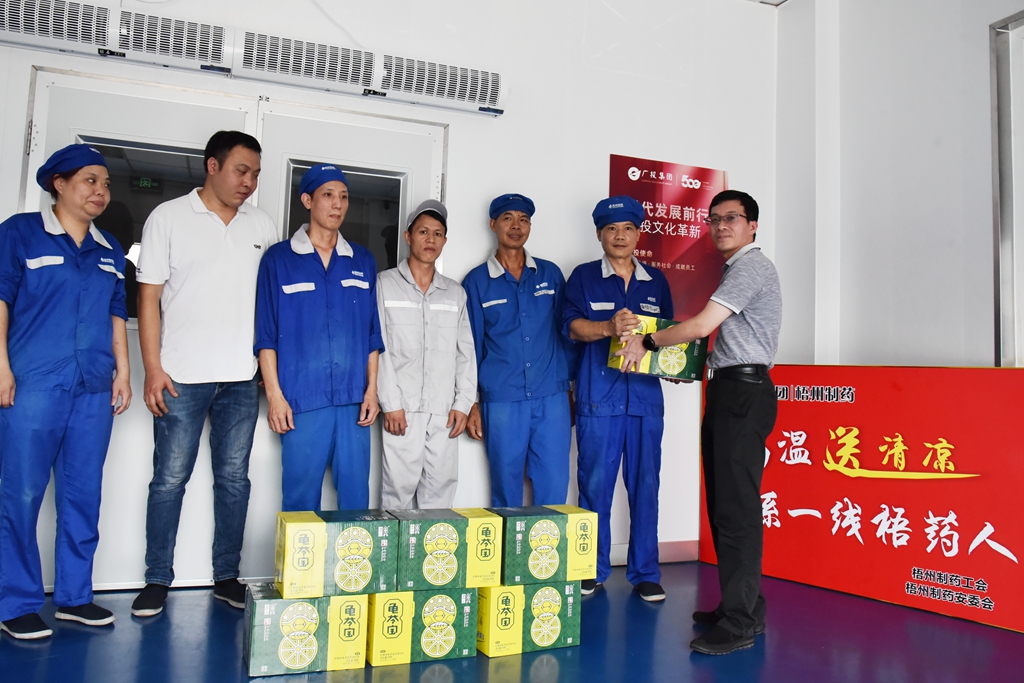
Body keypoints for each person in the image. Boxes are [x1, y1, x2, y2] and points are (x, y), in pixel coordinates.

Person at [616, 189, 781, 655]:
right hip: (729, 389)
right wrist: (691, 368)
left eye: (732, 218)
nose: (721, 226)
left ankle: (740, 622)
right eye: (714, 219)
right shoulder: (735, 269)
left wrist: (649, 343)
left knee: (737, 512)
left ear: (752, 226)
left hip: (743, 395)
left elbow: (703, 326)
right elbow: (723, 340)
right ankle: (744, 607)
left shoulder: (750, 266)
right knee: (726, 506)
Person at [131, 131, 279, 618]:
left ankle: (227, 576)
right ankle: (157, 578)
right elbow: (148, 298)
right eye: (241, 170)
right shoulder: (168, 217)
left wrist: (267, 370)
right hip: (180, 377)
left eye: (255, 173)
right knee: (169, 480)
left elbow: (271, 305)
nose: (249, 182)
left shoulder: (262, 224)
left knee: (234, 481)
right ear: (212, 166)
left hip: (241, 378)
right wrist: (152, 369)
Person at [0, 144, 131, 639]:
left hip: (92, 387)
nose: (101, 191)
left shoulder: (109, 248)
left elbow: (116, 313)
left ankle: (75, 597)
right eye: (90, 181)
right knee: (22, 493)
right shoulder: (19, 233)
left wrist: (123, 372)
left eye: (105, 184)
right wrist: (1, 367)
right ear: (59, 184)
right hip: (32, 384)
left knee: (82, 493)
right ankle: (15, 601)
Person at [563, 195, 673, 602]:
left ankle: (645, 572)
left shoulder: (656, 281)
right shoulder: (584, 277)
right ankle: (590, 569)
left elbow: (668, 337)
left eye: (628, 228)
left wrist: (675, 366)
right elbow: (571, 328)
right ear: (599, 235)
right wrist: (608, 327)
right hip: (599, 399)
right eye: (611, 229)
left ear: (638, 234)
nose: (620, 236)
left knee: (646, 486)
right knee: (595, 487)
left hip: (645, 402)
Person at [255, 164, 383, 512]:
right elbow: (266, 336)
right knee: (300, 502)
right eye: (328, 195)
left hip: (353, 402)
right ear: (307, 200)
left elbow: (372, 334)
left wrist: (371, 390)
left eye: (344, 197)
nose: (337, 204)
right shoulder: (279, 260)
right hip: (301, 401)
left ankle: (354, 554)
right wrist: (275, 397)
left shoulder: (362, 261)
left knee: (356, 501)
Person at [462, 193, 576, 507]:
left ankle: (550, 542)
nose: (516, 226)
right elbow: (470, 347)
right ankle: (507, 542)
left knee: (554, 487)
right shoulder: (477, 282)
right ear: (493, 225)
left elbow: (567, 334)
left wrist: (568, 388)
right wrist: (471, 402)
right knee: (505, 488)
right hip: (501, 399)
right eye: (508, 218)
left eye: (523, 219)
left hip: (551, 397)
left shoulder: (550, 275)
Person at [376, 199, 476, 509]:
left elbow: (465, 353)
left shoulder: (455, 293)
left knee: (440, 496)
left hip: (444, 411)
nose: (430, 239)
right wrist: (390, 404)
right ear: (408, 236)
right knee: (397, 495)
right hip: (402, 410)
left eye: (437, 233)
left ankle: (434, 544)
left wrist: (463, 404)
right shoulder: (384, 284)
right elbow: (379, 349)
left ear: (444, 240)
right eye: (423, 231)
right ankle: (395, 544)